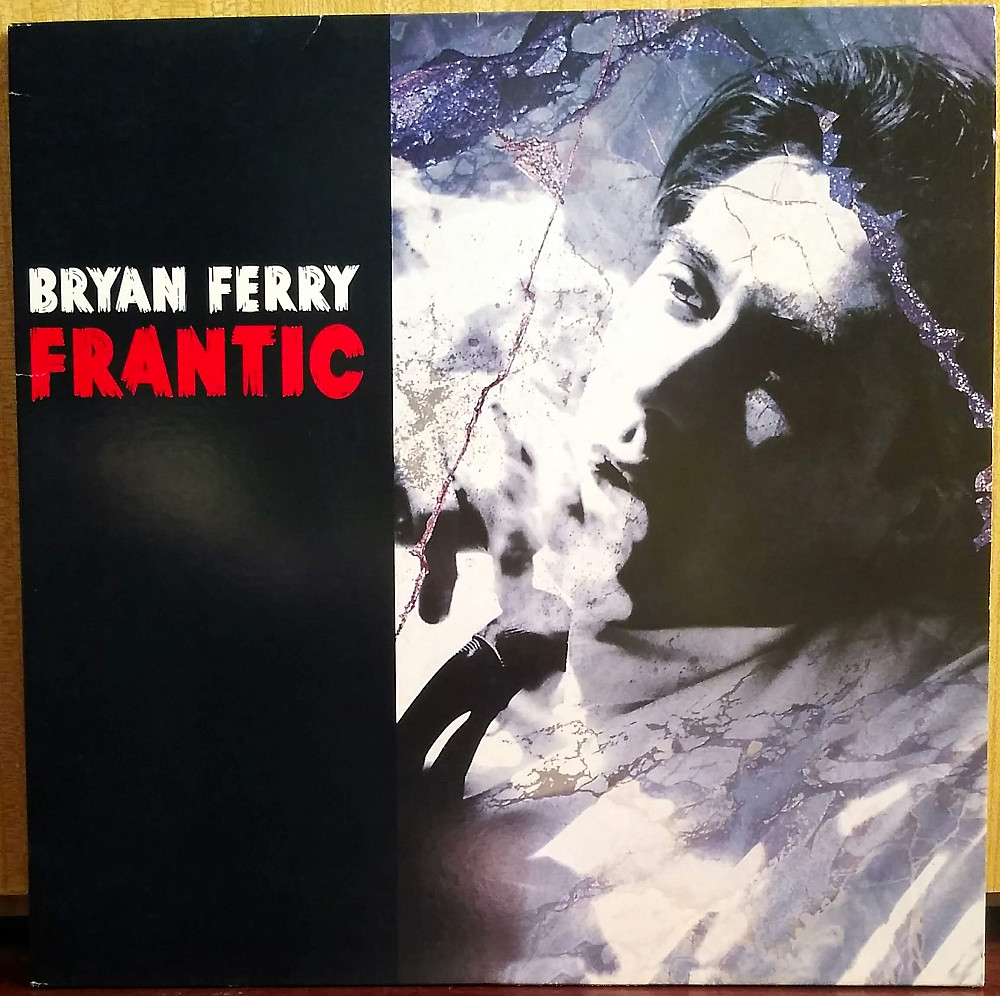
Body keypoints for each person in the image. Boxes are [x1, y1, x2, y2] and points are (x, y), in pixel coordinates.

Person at [397, 43, 994, 985]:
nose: (659, 389)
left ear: (918, 507)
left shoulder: (908, 803)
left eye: (783, 371)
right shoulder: (449, 492)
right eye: (687, 290)